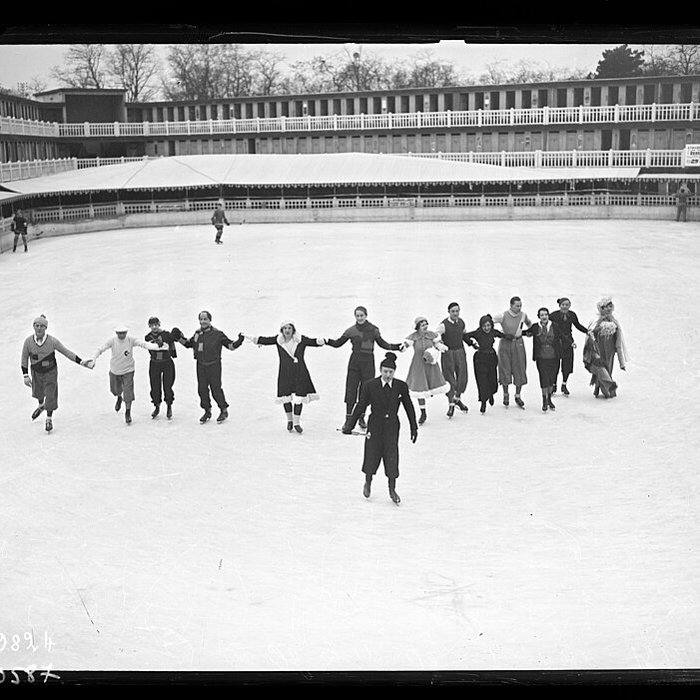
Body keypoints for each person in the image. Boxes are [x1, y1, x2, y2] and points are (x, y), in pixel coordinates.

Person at [342, 352, 418, 505]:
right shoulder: (370, 385)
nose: (388, 375)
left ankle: (392, 488)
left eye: (390, 372)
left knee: (392, 455)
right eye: (385, 371)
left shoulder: (400, 386)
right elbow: (361, 405)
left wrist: (413, 427)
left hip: (392, 426)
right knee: (372, 453)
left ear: (394, 372)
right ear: (380, 370)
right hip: (375, 424)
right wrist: (350, 424)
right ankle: (368, 482)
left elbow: (409, 407)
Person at [326, 306, 406, 432]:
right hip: (355, 362)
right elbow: (337, 343)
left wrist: (397, 347)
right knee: (351, 389)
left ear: (366, 315)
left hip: (368, 362)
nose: (359, 318)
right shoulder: (351, 331)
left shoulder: (374, 330)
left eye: (361, 315)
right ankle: (348, 418)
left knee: (365, 390)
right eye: (357, 316)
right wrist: (326, 341)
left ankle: (361, 416)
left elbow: (383, 344)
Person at [246, 321, 325, 433]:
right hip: (285, 373)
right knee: (285, 397)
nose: (287, 330)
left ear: (293, 329)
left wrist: (322, 341)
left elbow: (313, 342)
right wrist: (252, 338)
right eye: (285, 328)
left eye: (289, 328)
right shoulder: (279, 341)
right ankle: (290, 420)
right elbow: (265, 340)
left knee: (299, 398)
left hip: (300, 372)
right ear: (282, 330)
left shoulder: (300, 340)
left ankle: (297, 423)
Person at [20, 315, 91, 432]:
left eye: (41, 326)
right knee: (38, 392)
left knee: (50, 395)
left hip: (50, 372)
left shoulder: (52, 341)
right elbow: (24, 358)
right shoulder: (28, 342)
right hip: (36, 372)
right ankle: (41, 405)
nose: (38, 328)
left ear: (45, 328)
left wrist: (81, 362)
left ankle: (48, 418)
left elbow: (66, 352)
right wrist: (25, 375)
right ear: (33, 326)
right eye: (36, 326)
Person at [172, 311, 244, 423]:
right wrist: (178, 338)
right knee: (202, 389)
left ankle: (223, 410)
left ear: (210, 320)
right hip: (201, 365)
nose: (203, 321)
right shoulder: (197, 333)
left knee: (216, 388)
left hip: (214, 365)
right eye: (201, 319)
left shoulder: (217, 334)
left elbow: (230, 346)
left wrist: (239, 342)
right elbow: (189, 344)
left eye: (205, 319)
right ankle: (207, 410)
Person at [88, 325, 160, 424]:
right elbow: (100, 349)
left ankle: (127, 412)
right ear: (116, 333)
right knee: (115, 390)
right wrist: (93, 359)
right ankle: (118, 396)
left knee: (128, 392)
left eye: (123, 333)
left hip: (128, 370)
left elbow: (144, 344)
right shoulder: (112, 341)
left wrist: (157, 346)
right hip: (115, 370)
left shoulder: (131, 340)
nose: (122, 335)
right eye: (119, 333)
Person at [404, 317, 450, 425]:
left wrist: (441, 347)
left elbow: (437, 344)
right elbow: (406, 344)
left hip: (430, 364)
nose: (425, 326)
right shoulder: (413, 337)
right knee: (420, 389)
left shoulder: (431, 335)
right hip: (418, 365)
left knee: (439, 383)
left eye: (426, 324)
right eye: (422, 324)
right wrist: (402, 347)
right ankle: (423, 412)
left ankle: (453, 402)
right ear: (418, 327)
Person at [582, 297, 629, 399]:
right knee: (601, 368)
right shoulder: (596, 321)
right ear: (601, 308)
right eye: (606, 307)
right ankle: (607, 389)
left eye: (610, 306)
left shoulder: (614, 321)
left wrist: (621, 360)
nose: (608, 309)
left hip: (610, 350)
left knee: (608, 368)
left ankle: (599, 386)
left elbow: (618, 339)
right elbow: (591, 334)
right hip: (599, 349)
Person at [492, 296, 533, 409]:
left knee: (519, 368)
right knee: (505, 368)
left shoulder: (523, 315)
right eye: (517, 305)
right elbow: (489, 322)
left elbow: (529, 324)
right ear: (511, 305)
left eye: (520, 305)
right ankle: (505, 394)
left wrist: (527, 332)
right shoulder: (503, 315)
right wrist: (500, 334)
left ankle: (518, 395)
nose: (519, 308)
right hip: (505, 343)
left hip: (518, 343)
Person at [522, 307, 563, 412]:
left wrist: (571, 342)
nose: (544, 317)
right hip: (541, 357)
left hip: (554, 357)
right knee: (543, 378)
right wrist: (511, 334)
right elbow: (525, 333)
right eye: (542, 315)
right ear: (539, 317)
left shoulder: (555, 326)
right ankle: (544, 399)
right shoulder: (535, 327)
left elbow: (562, 336)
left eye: (545, 314)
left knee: (551, 378)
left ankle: (549, 398)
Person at [464, 314, 505, 414]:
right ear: (481, 326)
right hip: (480, 358)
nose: (487, 328)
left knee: (492, 381)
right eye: (484, 326)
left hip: (491, 357)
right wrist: (472, 344)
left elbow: (503, 335)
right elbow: (465, 336)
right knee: (482, 381)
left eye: (488, 325)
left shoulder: (493, 332)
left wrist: (521, 334)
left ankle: (490, 394)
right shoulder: (478, 333)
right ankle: (483, 402)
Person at [435, 302, 471, 417]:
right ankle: (451, 404)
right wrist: (440, 343)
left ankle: (457, 398)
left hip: (460, 351)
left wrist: (472, 343)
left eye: (457, 311)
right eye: (453, 311)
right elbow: (436, 336)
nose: (455, 313)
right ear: (449, 312)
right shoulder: (443, 325)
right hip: (448, 353)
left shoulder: (461, 323)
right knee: (449, 378)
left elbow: (464, 335)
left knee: (462, 376)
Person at [549, 297, 589, 395]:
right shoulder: (553, 315)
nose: (565, 307)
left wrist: (587, 331)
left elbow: (577, 325)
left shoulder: (572, 315)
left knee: (567, 364)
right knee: (555, 365)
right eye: (563, 305)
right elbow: (547, 326)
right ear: (559, 305)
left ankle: (564, 384)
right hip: (556, 342)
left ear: (569, 306)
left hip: (568, 342)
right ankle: (554, 385)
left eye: (567, 305)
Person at [144, 316, 177, 419]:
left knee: (168, 385)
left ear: (159, 324)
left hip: (167, 362)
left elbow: (172, 343)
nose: (154, 327)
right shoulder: (148, 337)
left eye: (156, 325)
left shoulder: (166, 335)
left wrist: (173, 353)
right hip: (155, 363)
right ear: (149, 326)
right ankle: (157, 405)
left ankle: (169, 406)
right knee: (155, 386)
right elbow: (149, 347)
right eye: (152, 325)